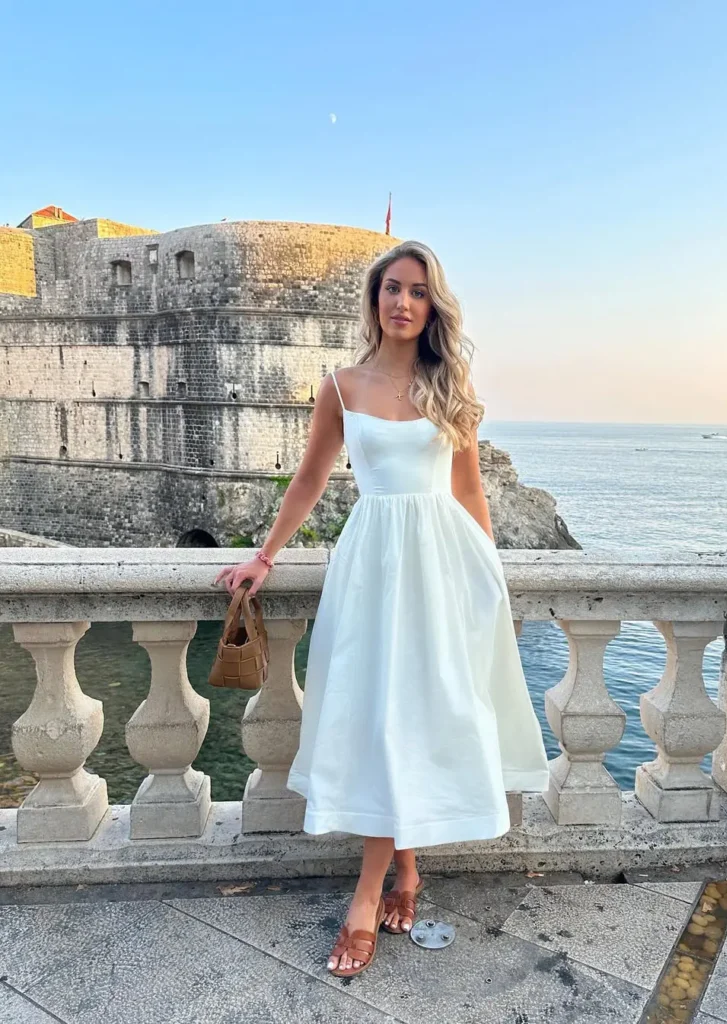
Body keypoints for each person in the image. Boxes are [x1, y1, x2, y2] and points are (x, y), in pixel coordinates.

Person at [213, 239, 551, 978]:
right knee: (381, 717)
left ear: (434, 306)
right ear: (374, 299)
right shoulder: (340, 386)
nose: (402, 302)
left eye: (418, 291)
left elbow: (468, 493)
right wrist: (264, 556)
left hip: (440, 568)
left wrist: (489, 577)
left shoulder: (449, 385)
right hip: (372, 569)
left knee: (421, 714)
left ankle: (378, 890)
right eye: (392, 288)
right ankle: (396, 880)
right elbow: (307, 481)